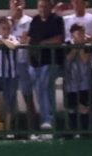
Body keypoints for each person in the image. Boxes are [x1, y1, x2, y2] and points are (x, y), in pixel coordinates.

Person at [28, 0, 64, 131]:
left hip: (52, 61)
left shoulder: (57, 20)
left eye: (44, 6)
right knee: (38, 87)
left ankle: (48, 120)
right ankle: (46, 121)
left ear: (51, 7)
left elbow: (59, 40)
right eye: (40, 6)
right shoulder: (35, 20)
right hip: (35, 62)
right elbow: (30, 39)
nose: (42, 9)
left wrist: (42, 43)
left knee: (43, 85)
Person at [9, 0, 37, 130]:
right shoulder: (7, 22)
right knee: (10, 97)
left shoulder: (30, 22)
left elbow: (29, 40)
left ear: (24, 4)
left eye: (19, 2)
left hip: (24, 63)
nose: (17, 5)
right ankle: (11, 130)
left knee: (27, 97)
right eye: (14, 3)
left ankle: (33, 129)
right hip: (9, 65)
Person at [64, 23, 92, 132]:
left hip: (84, 81)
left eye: (82, 32)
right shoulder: (67, 44)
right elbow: (68, 58)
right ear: (72, 34)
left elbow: (85, 59)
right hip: (70, 81)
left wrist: (81, 46)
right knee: (72, 107)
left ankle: (84, 131)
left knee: (84, 107)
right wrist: (76, 46)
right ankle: (72, 130)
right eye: (78, 32)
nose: (81, 35)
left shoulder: (88, 46)